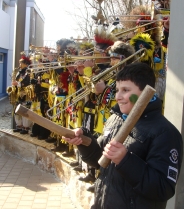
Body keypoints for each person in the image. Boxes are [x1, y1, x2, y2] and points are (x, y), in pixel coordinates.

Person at [63, 62, 183, 209]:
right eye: (117, 89)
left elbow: (163, 188)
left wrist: (125, 160)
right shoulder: (116, 118)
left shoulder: (165, 133)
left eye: (125, 90)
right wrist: (84, 142)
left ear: (147, 91)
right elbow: (100, 160)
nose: (118, 96)